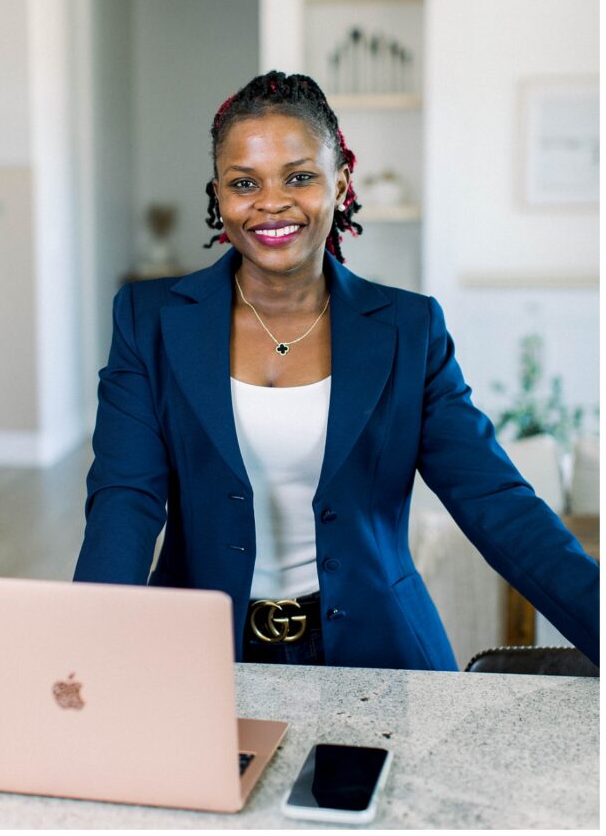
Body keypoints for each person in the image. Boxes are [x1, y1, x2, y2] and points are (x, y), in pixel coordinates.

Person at [73, 70, 599, 670]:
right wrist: (86, 656)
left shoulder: (409, 329)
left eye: (299, 177)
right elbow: (124, 501)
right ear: (219, 195)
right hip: (199, 653)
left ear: (341, 182)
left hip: (381, 653)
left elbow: (495, 501)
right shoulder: (149, 320)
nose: (272, 202)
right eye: (245, 183)